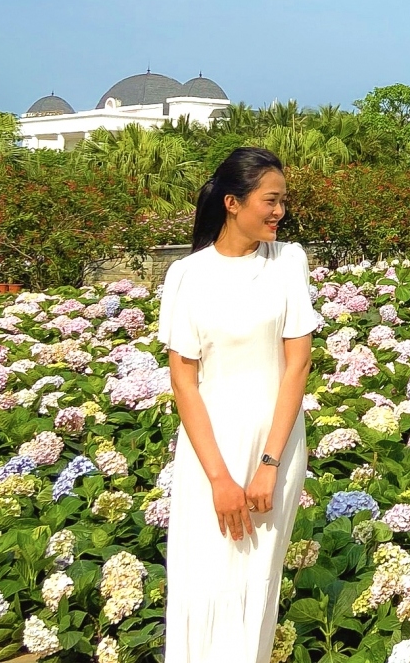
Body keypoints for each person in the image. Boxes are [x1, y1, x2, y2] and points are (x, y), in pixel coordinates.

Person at [158, 147, 316, 663]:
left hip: (274, 443)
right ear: (232, 202)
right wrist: (220, 479)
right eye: (271, 201)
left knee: (255, 578)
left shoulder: (289, 262)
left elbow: (297, 366)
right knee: (200, 577)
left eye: (283, 201)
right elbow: (185, 380)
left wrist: (268, 465)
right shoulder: (185, 274)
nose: (279, 212)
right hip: (208, 448)